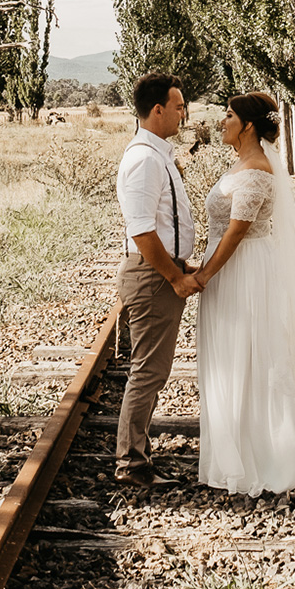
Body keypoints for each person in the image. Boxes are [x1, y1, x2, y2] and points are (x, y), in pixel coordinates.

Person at [191, 91, 295, 495]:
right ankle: (234, 448)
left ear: (249, 125)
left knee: (249, 356)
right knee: (234, 356)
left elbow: (237, 232)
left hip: (244, 272)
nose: (221, 122)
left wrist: (203, 275)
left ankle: (263, 456)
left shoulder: (256, 169)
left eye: (228, 116)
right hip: (231, 268)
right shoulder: (243, 163)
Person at [113, 70, 198, 487]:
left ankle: (135, 457)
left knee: (153, 369)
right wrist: (174, 276)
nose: (184, 113)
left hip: (162, 271)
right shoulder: (145, 159)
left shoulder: (158, 153)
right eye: (179, 106)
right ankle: (132, 464)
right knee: (148, 370)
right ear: (158, 109)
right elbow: (142, 230)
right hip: (152, 277)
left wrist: (182, 264)